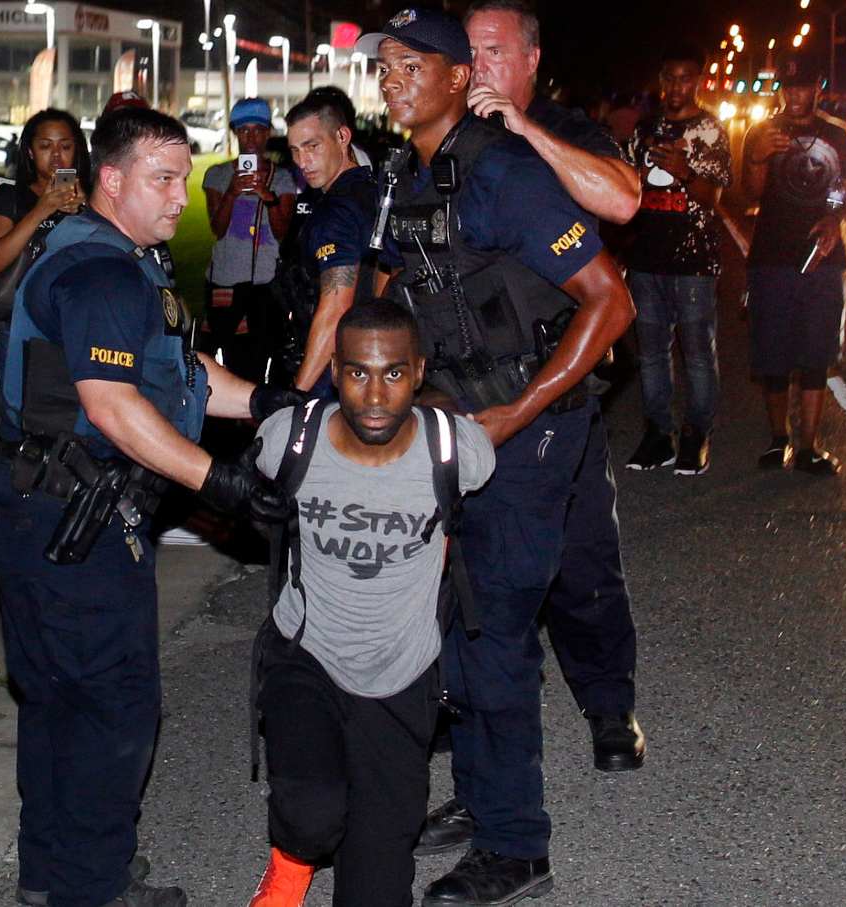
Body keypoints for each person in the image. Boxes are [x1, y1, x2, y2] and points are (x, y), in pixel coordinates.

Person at [0, 106, 302, 907]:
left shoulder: (125, 258)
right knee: (110, 706)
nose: (178, 197)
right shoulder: (98, 272)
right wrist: (220, 483)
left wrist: (267, 402)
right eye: (162, 180)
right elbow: (114, 405)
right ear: (111, 180)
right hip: (69, 516)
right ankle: (91, 887)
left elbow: (177, 367)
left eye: (185, 179)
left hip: (45, 505)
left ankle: (55, 876)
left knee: (59, 701)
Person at [354, 9, 636, 904]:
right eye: (385, 64)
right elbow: (406, 299)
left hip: (529, 427)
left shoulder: (505, 170)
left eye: (412, 64)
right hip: (457, 423)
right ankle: (483, 799)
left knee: (497, 627)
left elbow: (610, 301)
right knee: (459, 623)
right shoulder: (406, 175)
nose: (393, 78)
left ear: (454, 81)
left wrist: (516, 412)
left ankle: (519, 846)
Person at [245, 300, 496, 907]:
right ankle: (290, 864)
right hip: (307, 655)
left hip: (402, 673)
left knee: (378, 885)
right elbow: (254, 507)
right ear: (335, 371)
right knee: (312, 817)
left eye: (392, 373)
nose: (376, 395)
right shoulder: (288, 441)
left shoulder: (459, 452)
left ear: (418, 372)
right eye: (358, 373)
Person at [742, 57, 846, 475]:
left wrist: (834, 215)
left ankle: (809, 446)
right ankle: (779, 441)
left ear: (817, 88)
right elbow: (750, 195)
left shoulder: (834, 135)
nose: (794, 95)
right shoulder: (763, 132)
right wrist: (757, 158)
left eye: (803, 87)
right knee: (773, 354)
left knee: (816, 354)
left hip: (822, 259)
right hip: (772, 257)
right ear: (780, 90)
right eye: (788, 88)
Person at [620, 43, 733, 476]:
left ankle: (696, 435)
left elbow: (713, 198)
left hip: (694, 262)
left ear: (698, 82)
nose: (675, 87)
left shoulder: (710, 130)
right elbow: (628, 187)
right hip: (647, 256)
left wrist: (685, 170)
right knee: (651, 353)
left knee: (698, 355)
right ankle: (657, 434)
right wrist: (640, 176)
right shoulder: (645, 128)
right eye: (669, 78)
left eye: (685, 78)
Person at [462, 0, 640, 224]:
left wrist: (526, 128)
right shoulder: (456, 126)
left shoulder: (566, 127)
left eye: (494, 52)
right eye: (470, 51)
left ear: (531, 60)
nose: (478, 66)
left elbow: (623, 203)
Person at [0, 108, 91, 387]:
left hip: (81, 325)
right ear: (29, 151)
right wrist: (42, 210)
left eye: (65, 146)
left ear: (77, 150)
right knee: (23, 416)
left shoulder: (93, 198)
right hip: (22, 329)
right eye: (45, 146)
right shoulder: (10, 198)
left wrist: (87, 209)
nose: (56, 156)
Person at [277, 93, 379, 396]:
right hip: (369, 358)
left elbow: (335, 308)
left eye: (312, 146)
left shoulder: (336, 212)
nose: (302, 162)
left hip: (335, 371)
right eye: (294, 151)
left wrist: (298, 393)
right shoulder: (372, 188)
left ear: (343, 136)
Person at [202, 98, 297, 381]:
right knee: (226, 360)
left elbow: (282, 232)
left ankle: (256, 417)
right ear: (235, 133)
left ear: (268, 133)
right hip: (226, 281)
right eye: (244, 130)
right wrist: (232, 192)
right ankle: (227, 421)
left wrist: (268, 198)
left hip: (267, 284)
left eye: (258, 130)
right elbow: (217, 229)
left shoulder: (282, 179)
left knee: (263, 357)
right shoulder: (217, 175)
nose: (251, 138)